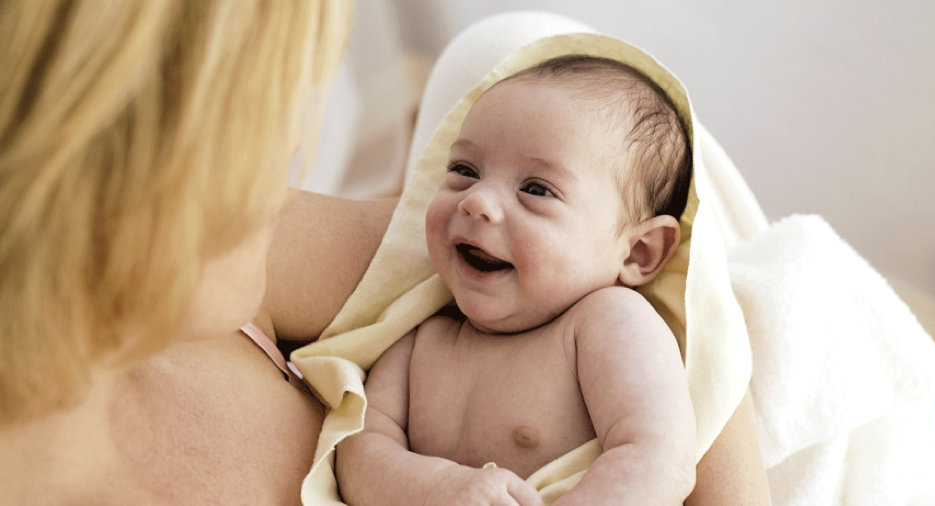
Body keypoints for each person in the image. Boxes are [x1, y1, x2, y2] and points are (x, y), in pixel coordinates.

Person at [0, 3, 767, 504]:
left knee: (509, 48)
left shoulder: (597, 318)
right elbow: (369, 452)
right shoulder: (424, 343)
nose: (296, 148)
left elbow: (685, 406)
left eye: (535, 189)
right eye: (262, 114)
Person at [0, 1, 396, 502]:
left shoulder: (231, 258)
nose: (294, 139)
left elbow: (493, 223)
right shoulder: (207, 258)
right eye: (254, 100)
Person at [336, 55, 700, 505]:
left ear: (638, 252)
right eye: (465, 170)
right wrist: (432, 487)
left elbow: (659, 457)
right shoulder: (420, 337)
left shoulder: (606, 323)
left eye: (536, 189)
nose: (477, 200)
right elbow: (357, 451)